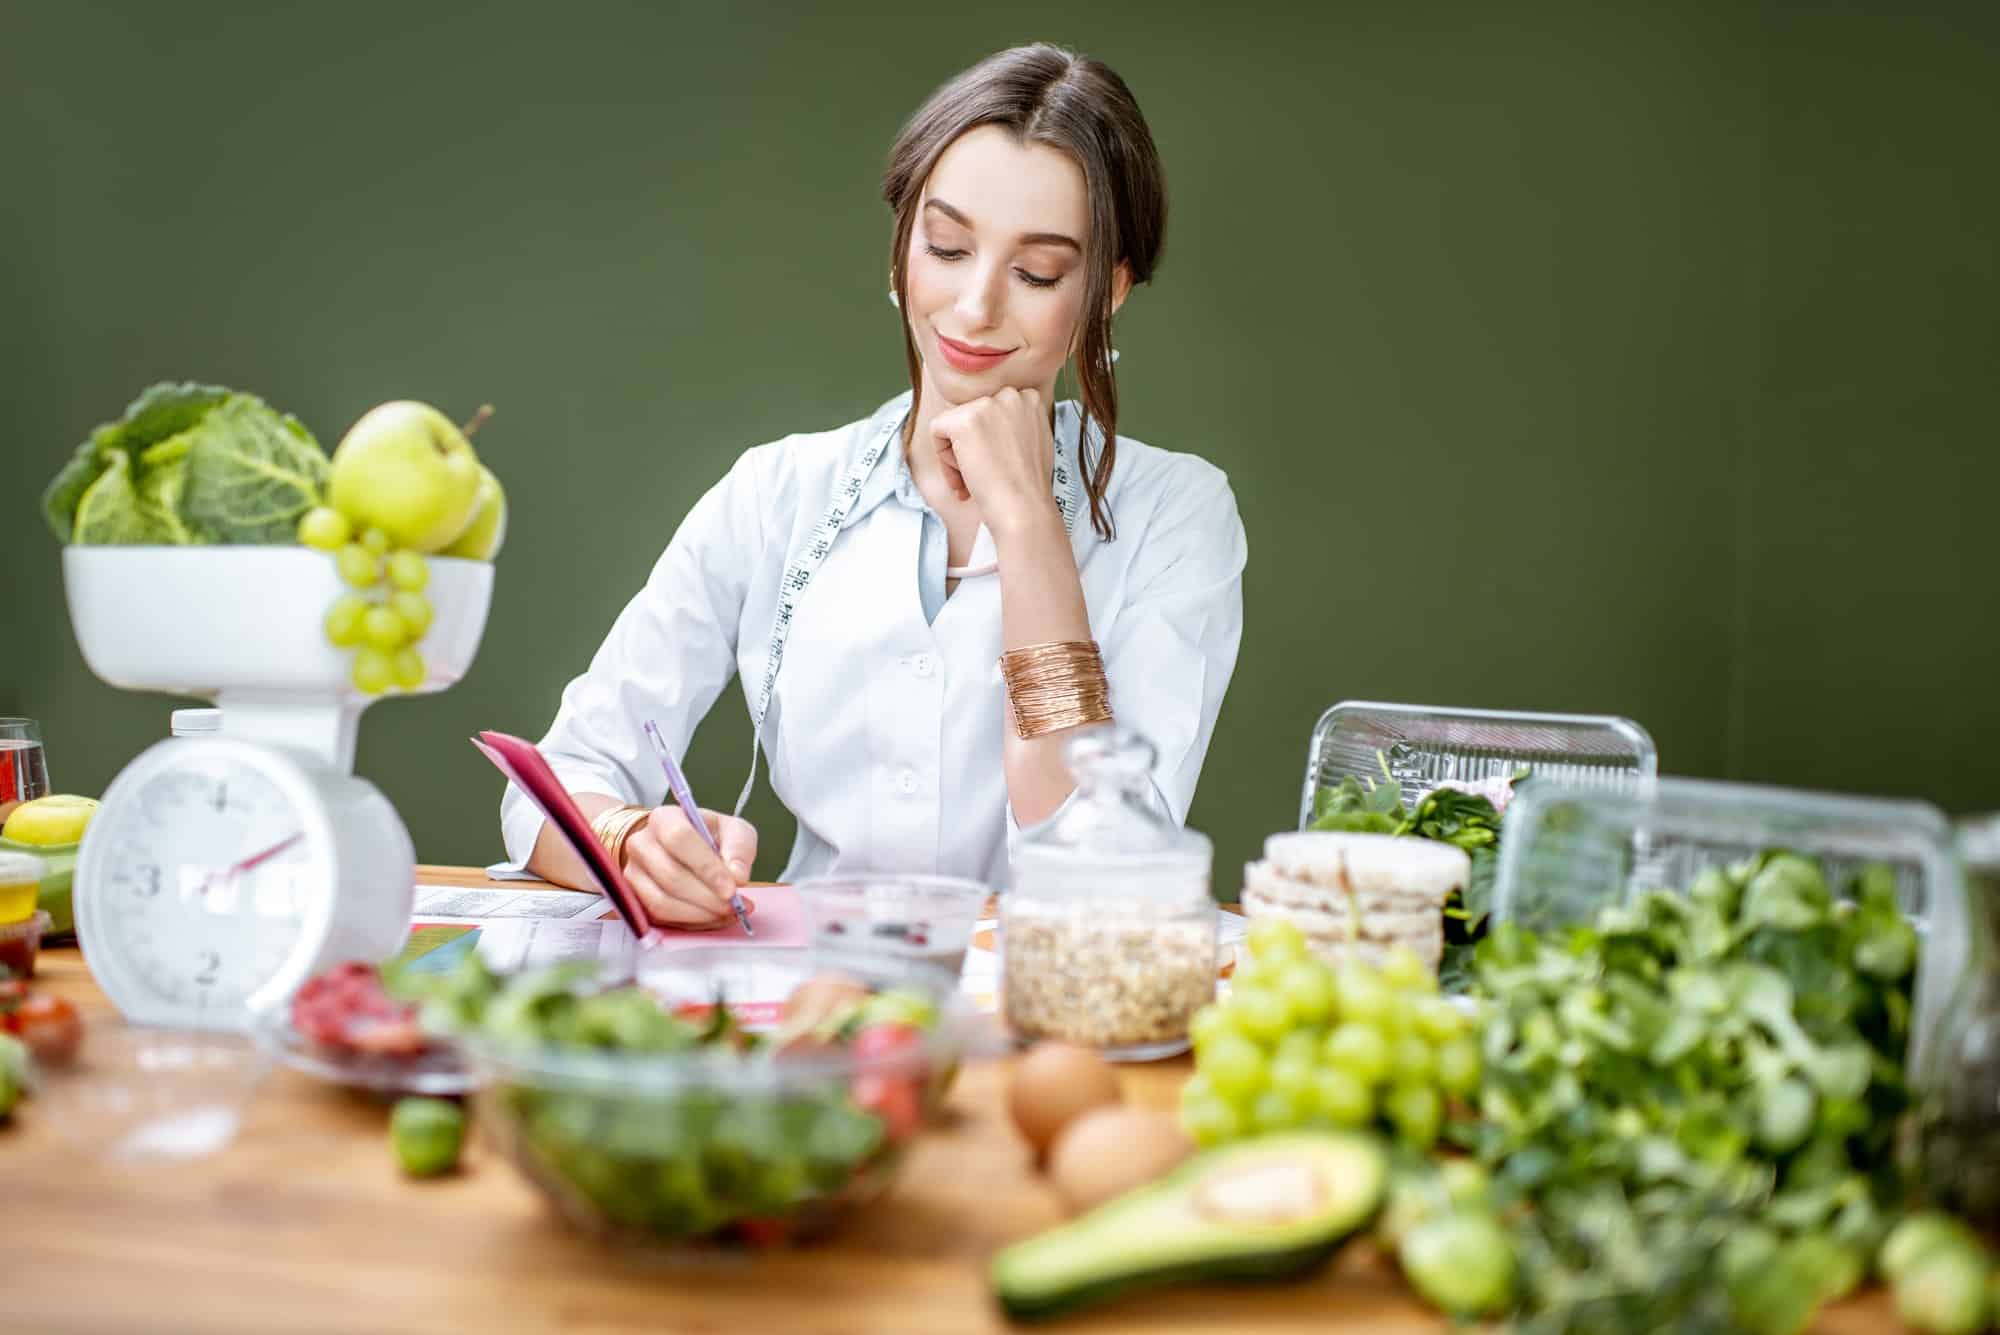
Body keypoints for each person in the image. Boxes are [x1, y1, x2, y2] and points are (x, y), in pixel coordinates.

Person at [501, 42, 1247, 927]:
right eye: (946, 246)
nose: (974, 305)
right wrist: (630, 841)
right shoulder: (775, 495)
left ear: (1108, 293)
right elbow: (549, 787)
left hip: (1046, 1021)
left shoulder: (1177, 516)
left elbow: (1105, 869)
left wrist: (1028, 522)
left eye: (1037, 272)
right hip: (814, 1011)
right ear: (900, 255)